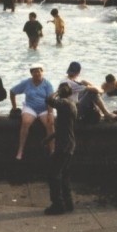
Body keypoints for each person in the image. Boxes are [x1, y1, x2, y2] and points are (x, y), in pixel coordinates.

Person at [43, 82, 77, 215]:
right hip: (69, 143)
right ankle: (68, 203)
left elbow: (49, 100)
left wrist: (57, 91)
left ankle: (58, 205)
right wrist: (49, 138)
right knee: (64, 174)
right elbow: (63, 128)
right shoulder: (71, 105)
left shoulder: (64, 104)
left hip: (64, 145)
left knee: (54, 174)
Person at [9, 65, 55, 160]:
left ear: (43, 72)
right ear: (31, 73)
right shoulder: (26, 82)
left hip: (44, 108)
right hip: (30, 107)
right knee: (26, 122)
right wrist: (14, 107)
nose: (37, 73)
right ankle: (20, 150)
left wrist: (50, 113)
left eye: (39, 71)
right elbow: (12, 91)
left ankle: (52, 150)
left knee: (50, 124)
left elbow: (51, 100)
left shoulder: (47, 84)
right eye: (34, 72)